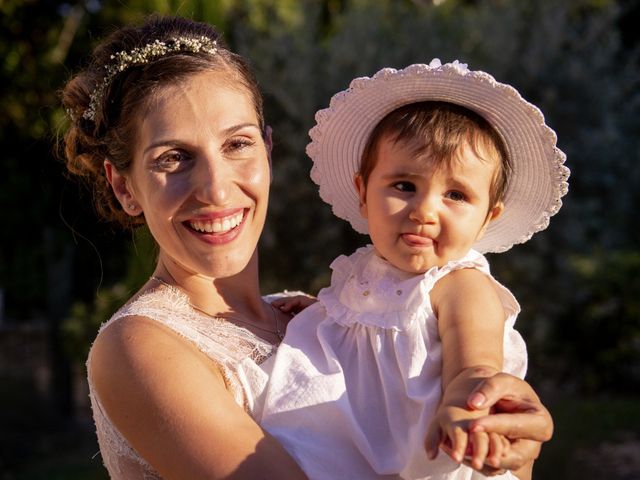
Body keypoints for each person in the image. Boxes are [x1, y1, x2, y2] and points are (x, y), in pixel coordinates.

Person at [59, 15, 554, 480]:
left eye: (237, 144)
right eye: (173, 157)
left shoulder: (328, 322)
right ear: (125, 187)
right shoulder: (141, 346)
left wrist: (507, 448)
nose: (215, 188)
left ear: (268, 151)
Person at [257, 60, 569, 480]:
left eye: (456, 195)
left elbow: (474, 363)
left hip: (425, 453)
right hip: (355, 440)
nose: (424, 211)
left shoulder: (461, 285)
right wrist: (324, 312)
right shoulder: (365, 273)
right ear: (363, 192)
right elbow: (375, 332)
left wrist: (465, 406)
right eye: (404, 186)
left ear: (488, 217)